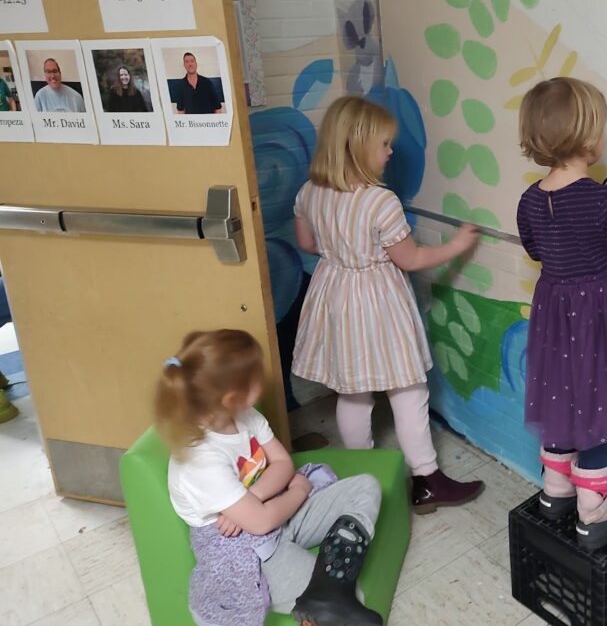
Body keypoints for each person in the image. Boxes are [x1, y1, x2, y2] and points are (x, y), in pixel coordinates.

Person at [292, 96, 485, 513]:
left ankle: (362, 476)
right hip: (377, 301)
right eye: (384, 144)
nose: (391, 151)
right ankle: (427, 478)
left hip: (335, 295)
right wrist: (457, 245)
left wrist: (340, 252)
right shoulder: (381, 201)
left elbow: (307, 244)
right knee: (408, 388)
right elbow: (410, 259)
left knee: (353, 391)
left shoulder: (310, 192)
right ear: (358, 147)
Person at [516, 77, 607, 550]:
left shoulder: (530, 200)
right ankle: (594, 512)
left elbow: (538, 249)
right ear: (586, 140)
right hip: (601, 323)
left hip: (556, 323)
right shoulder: (605, 199)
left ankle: (556, 493)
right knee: (597, 411)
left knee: (563, 403)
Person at [156, 329, 384, 626]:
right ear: (230, 398)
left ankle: (331, 575)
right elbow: (261, 522)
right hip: (251, 549)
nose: (263, 379)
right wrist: (299, 491)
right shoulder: (200, 461)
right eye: (255, 376)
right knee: (350, 601)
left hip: (275, 510)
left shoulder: (245, 416)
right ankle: (322, 602)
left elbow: (281, 463)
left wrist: (254, 499)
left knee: (366, 485)